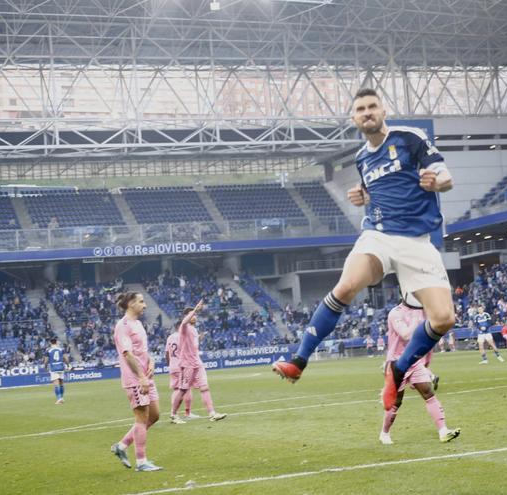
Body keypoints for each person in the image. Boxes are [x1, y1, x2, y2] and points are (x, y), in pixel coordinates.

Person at [272, 88, 456, 412]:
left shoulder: (409, 138)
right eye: (361, 109)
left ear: (383, 111)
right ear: (354, 119)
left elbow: (443, 174)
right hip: (378, 236)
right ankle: (299, 361)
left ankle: (397, 370)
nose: (367, 112)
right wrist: (364, 197)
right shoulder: (361, 157)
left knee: (443, 319)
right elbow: (381, 190)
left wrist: (437, 182)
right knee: (346, 285)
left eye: (373, 106)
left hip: (416, 241)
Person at [379, 294, 460, 445]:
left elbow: (428, 336)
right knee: (396, 402)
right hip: (397, 363)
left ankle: (443, 430)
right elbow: (406, 335)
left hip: (415, 362)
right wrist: (419, 318)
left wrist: (427, 358)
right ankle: (384, 433)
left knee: (429, 393)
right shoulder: (395, 313)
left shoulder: (423, 312)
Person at [110, 292, 162, 472]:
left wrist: (151, 361)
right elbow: (127, 353)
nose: (145, 305)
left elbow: (141, 350)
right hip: (135, 379)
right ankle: (141, 462)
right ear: (131, 304)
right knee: (141, 418)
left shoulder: (138, 323)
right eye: (141, 301)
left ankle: (122, 446)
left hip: (146, 377)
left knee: (154, 415)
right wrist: (141, 377)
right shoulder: (122, 326)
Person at [171, 301, 227, 422]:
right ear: (187, 315)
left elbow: (192, 345)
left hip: (197, 363)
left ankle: (212, 413)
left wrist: (200, 338)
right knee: (183, 390)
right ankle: (174, 414)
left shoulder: (194, 330)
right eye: (193, 314)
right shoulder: (184, 327)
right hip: (187, 364)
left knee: (205, 387)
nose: (195, 316)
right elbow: (185, 321)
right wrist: (195, 310)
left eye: (196, 314)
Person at [165, 328, 197, 421]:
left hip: (172, 366)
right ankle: (187, 412)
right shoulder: (183, 336)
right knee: (186, 389)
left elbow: (167, 353)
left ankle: (174, 412)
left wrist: (170, 364)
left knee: (176, 389)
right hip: (182, 365)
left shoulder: (170, 337)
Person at [44, 337, 68, 404]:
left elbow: (46, 360)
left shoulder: (48, 350)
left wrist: (45, 367)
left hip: (53, 367)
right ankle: (62, 398)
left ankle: (59, 398)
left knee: (56, 383)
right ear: (56, 342)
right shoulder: (61, 349)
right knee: (61, 383)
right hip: (61, 366)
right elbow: (65, 358)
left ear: (50, 342)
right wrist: (68, 364)